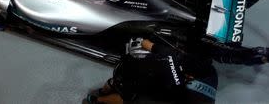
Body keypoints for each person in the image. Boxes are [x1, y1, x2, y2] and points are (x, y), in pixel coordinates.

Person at [87, 38, 218, 104]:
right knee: (127, 98)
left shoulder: (170, 54)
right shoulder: (209, 74)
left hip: (131, 67)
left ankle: (101, 95)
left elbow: (144, 42)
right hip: (146, 78)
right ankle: (97, 100)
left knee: (125, 93)